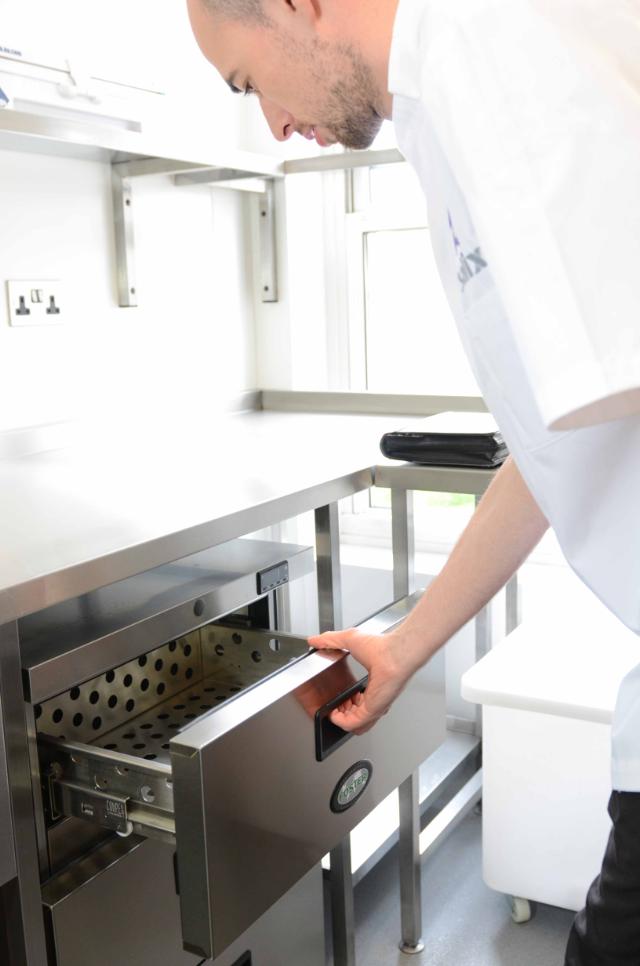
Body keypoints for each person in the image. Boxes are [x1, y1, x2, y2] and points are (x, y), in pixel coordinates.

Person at [186, 1, 640, 961]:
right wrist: (410, 643)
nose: (269, 123)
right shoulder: (438, 107)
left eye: (246, 79)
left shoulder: (493, 45)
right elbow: (557, 449)